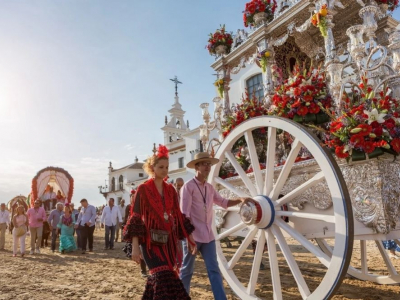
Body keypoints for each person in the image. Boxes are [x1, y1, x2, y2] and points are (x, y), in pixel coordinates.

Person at [124, 144, 196, 299]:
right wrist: (135, 247)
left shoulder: (170, 190)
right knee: (161, 276)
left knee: (168, 279)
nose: (164, 170)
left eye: (167, 167)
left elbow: (178, 216)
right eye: (161, 167)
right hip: (149, 243)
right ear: (152, 167)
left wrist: (190, 238)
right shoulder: (142, 189)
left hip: (168, 243)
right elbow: (135, 217)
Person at [179, 152, 248, 300]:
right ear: (196, 166)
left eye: (209, 164)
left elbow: (223, 203)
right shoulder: (188, 187)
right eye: (204, 164)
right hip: (193, 236)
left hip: (208, 236)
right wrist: (189, 238)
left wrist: (240, 200)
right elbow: (184, 215)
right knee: (187, 271)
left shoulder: (209, 188)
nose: (208, 167)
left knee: (214, 270)